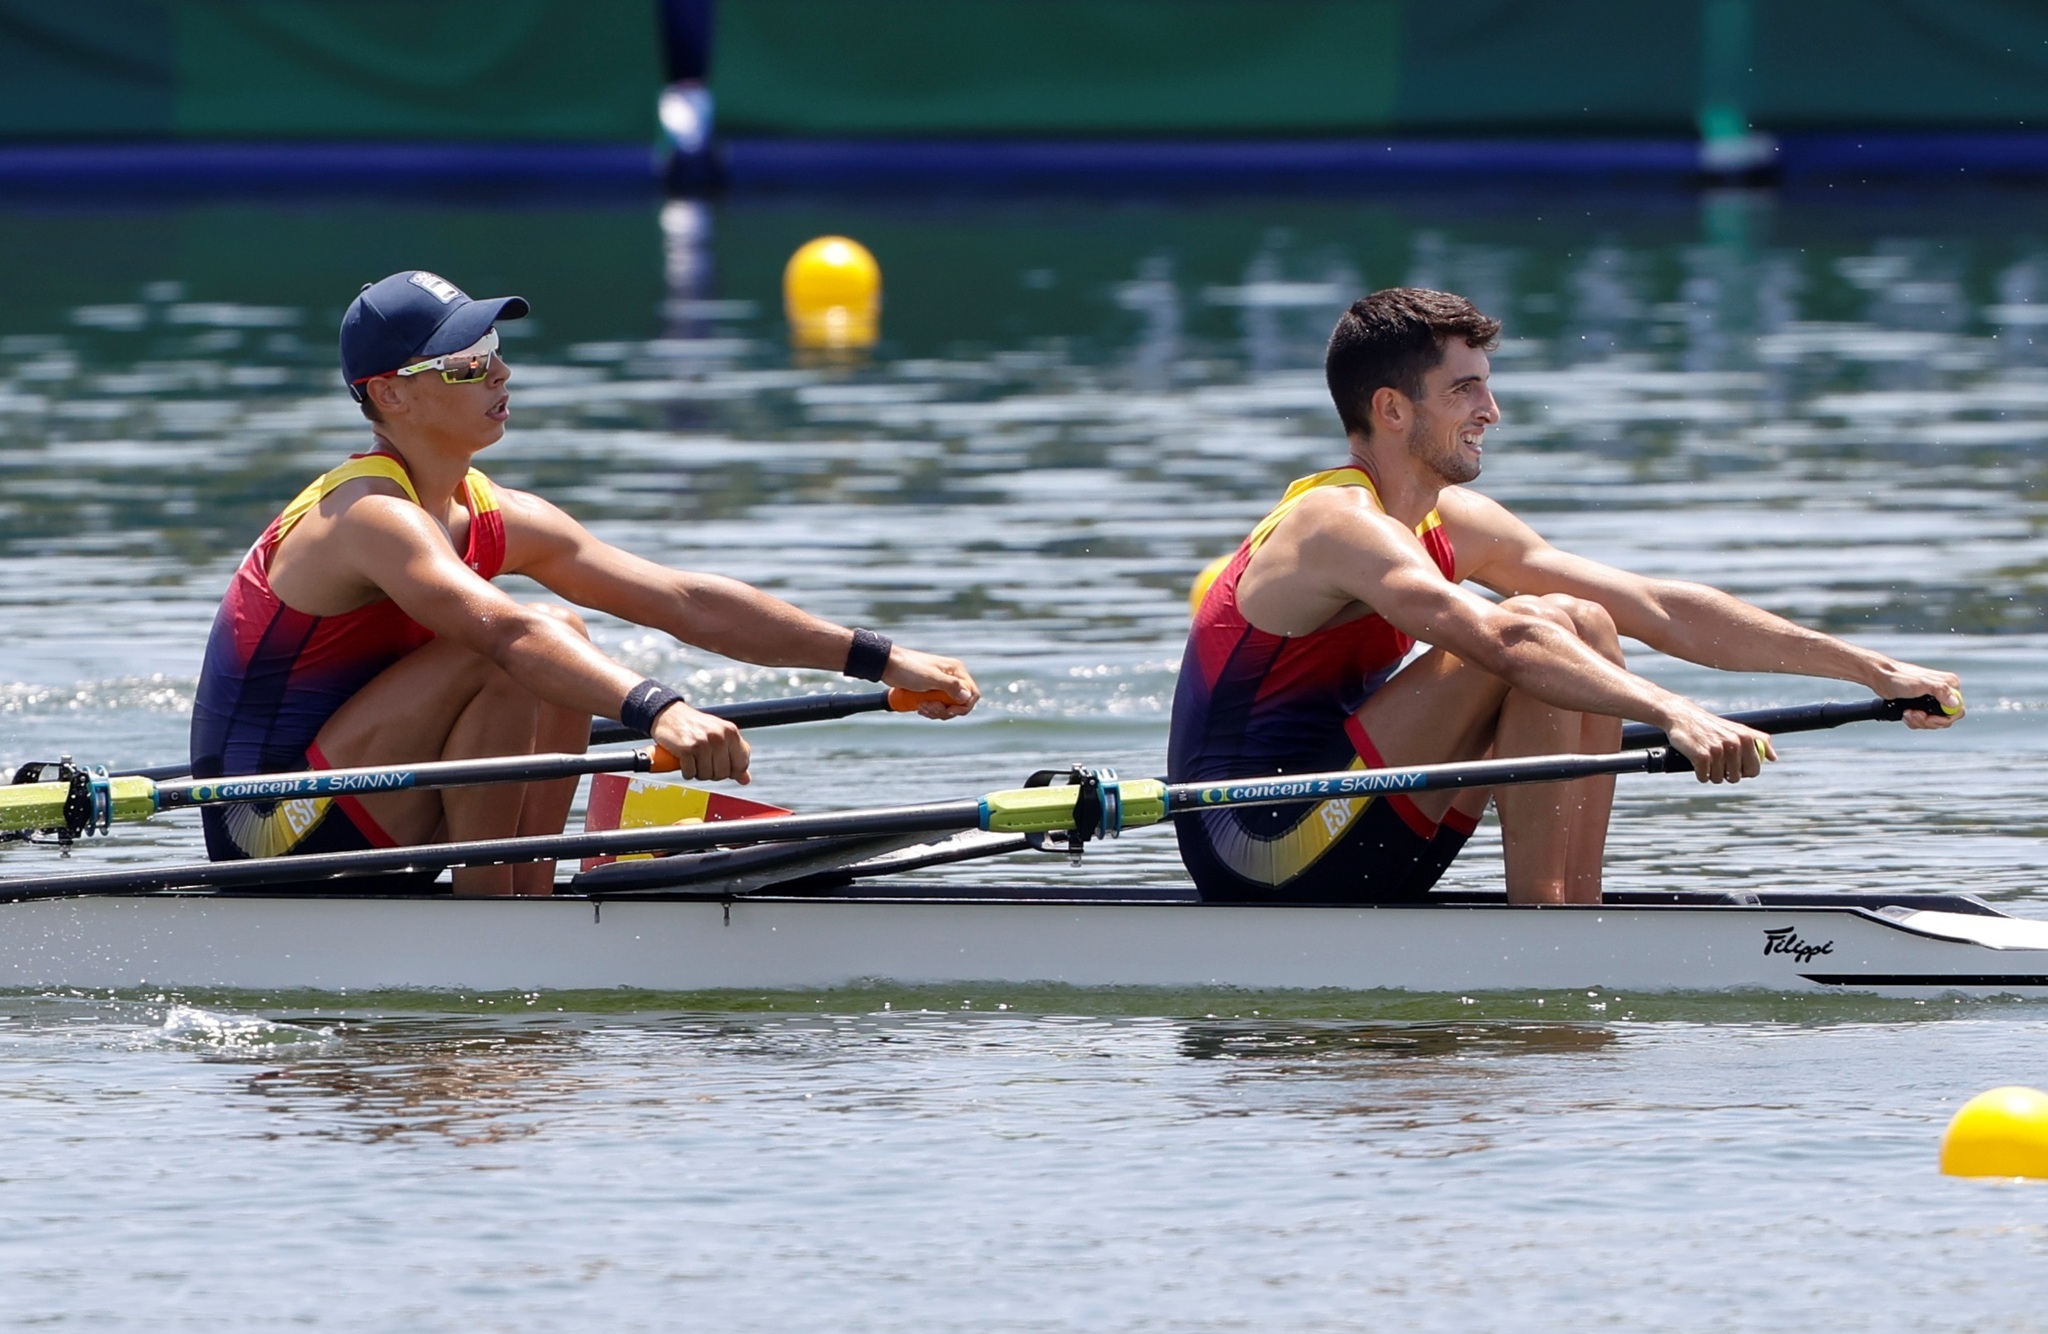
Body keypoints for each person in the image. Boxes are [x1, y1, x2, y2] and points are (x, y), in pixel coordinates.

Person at [191, 270, 979, 894]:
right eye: (467, 364)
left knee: (561, 638)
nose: (501, 371)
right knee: (524, 644)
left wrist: (879, 657)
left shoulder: (494, 512)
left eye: (493, 348)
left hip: (366, 796)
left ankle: (524, 900)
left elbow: (683, 601)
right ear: (390, 392)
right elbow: (506, 634)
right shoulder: (365, 515)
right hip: (265, 828)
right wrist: (663, 711)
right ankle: (494, 923)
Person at [1168, 287, 1961, 906]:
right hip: (1256, 843)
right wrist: (1674, 712)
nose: (1491, 411)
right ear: (1392, 408)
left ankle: (1570, 909)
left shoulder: (1453, 523)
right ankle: (1548, 926)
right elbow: (1502, 644)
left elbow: (1656, 606)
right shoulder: (1333, 524)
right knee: (1530, 625)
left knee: (1582, 617)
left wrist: (1871, 669)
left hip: (1354, 819)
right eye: (1465, 390)